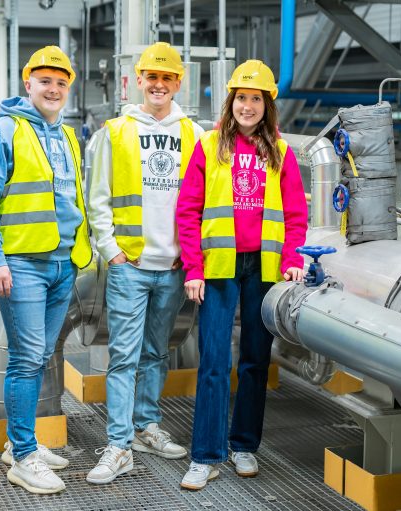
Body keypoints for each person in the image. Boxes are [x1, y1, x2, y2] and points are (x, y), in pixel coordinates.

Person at [175, 59, 308, 490]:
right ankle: (205, 455)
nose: (247, 106)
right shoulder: (209, 145)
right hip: (219, 267)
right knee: (214, 360)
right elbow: (189, 210)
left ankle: (244, 445)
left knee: (255, 359)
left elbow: (296, 213)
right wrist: (194, 268)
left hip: (263, 268)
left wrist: (292, 258)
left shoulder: (281, 152)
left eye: (256, 99)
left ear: (267, 106)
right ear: (230, 101)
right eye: (241, 98)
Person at [0, 46, 92, 495]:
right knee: (25, 358)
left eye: (60, 82)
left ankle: (20, 442)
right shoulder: (4, 131)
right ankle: (23, 457)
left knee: (39, 357)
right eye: (45, 81)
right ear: (28, 84)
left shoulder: (68, 136)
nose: (53, 89)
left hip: (63, 262)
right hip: (22, 265)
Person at [86, 42, 204, 485]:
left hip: (173, 267)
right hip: (130, 265)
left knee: (156, 352)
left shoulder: (194, 134)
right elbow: (97, 197)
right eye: (152, 77)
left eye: (167, 77)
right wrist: (111, 251)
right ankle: (118, 445)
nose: (159, 84)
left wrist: (190, 257)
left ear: (178, 83)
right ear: (138, 80)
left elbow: (203, 200)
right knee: (123, 356)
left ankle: (145, 427)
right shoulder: (115, 132)